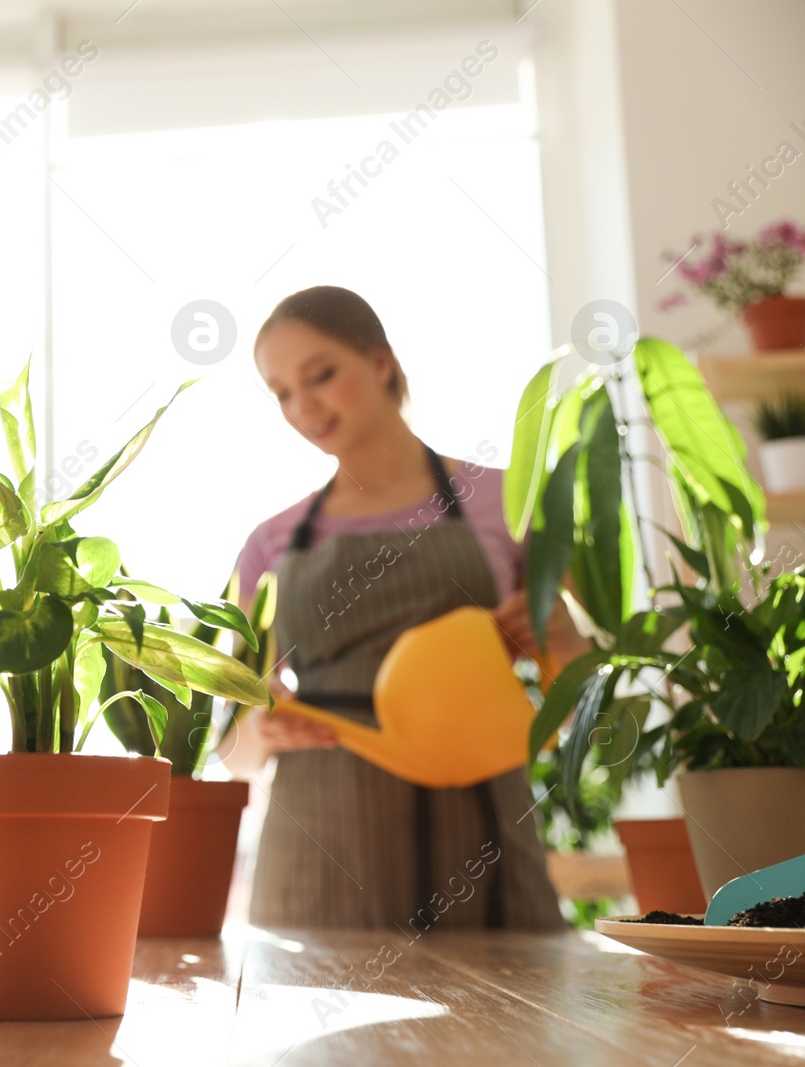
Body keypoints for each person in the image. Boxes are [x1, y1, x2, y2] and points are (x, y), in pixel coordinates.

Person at [219, 285, 589, 932]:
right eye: (281, 392)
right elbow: (232, 751)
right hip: (319, 865)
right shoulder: (270, 544)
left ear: (381, 361)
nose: (303, 406)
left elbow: (581, 706)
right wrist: (261, 726)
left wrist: (560, 639)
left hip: (484, 847)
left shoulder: (503, 503)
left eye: (321, 375)